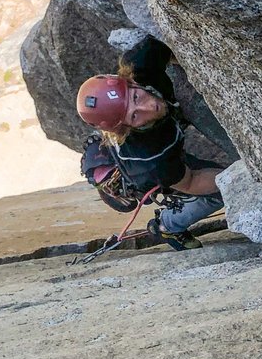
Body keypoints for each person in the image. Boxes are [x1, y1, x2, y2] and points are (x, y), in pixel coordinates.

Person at [76, 37, 224, 251]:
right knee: (219, 192)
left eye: (137, 97)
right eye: (135, 116)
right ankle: (169, 224)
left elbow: (170, 39)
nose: (150, 106)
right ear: (126, 127)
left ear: (130, 81)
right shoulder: (150, 160)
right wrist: (241, 179)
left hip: (162, 139)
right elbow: (192, 181)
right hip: (155, 164)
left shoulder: (139, 66)